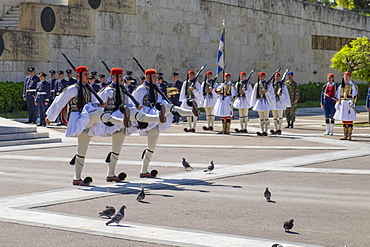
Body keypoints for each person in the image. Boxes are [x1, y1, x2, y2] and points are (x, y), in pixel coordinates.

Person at [46, 66, 129, 186]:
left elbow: (93, 102)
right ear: (78, 76)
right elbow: (59, 102)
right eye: (85, 74)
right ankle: (121, 122)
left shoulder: (89, 88)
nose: (88, 76)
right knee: (97, 118)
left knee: (82, 149)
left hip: (87, 118)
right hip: (78, 118)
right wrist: (50, 117)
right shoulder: (72, 89)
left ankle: (78, 178)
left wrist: (100, 104)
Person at [89, 67, 166, 182]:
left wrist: (136, 108)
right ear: (113, 77)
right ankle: (110, 173)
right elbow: (97, 105)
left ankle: (115, 174)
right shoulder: (107, 91)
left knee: (117, 149)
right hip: (111, 121)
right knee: (115, 149)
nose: (122, 79)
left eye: (122, 76)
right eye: (119, 77)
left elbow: (130, 104)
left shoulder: (124, 90)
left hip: (122, 121)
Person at [133, 69, 196, 178]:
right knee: (169, 108)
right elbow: (136, 106)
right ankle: (191, 112)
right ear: (147, 77)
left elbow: (161, 101)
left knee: (151, 147)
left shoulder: (156, 89)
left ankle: (144, 171)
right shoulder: (140, 90)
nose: (156, 79)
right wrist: (139, 121)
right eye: (154, 77)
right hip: (148, 117)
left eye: (156, 77)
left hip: (157, 118)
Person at [333, 72, 358, 140]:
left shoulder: (352, 86)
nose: (346, 78)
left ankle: (349, 134)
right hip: (343, 103)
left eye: (347, 77)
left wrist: (352, 102)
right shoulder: (341, 86)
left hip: (349, 103)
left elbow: (355, 95)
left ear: (350, 77)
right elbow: (338, 96)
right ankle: (345, 134)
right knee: (344, 119)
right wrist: (338, 102)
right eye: (345, 77)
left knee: (349, 119)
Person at [250, 72, 275, 136]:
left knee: (266, 117)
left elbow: (272, 93)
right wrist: (253, 102)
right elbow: (254, 93)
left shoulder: (268, 85)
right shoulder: (257, 84)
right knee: (261, 118)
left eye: (262, 76)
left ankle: (266, 131)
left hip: (266, 101)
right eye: (260, 77)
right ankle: (262, 130)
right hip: (259, 101)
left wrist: (267, 92)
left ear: (264, 77)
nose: (261, 78)